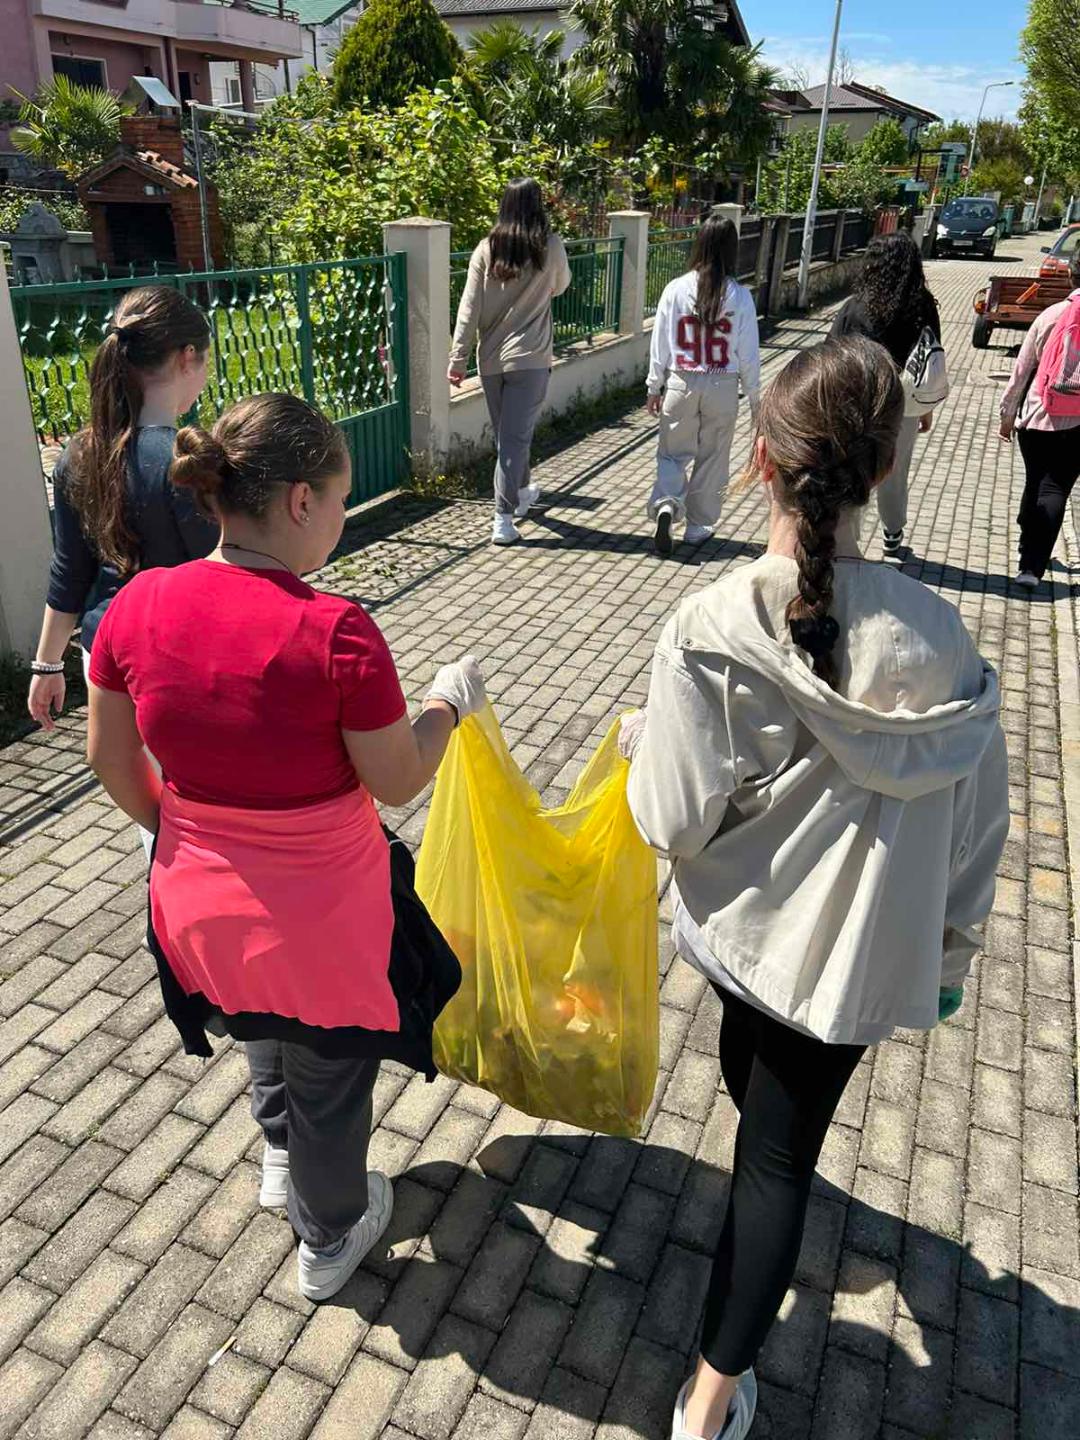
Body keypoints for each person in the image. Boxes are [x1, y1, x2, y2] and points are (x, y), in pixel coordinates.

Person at [620, 337, 1008, 1440]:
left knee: (772, 1164)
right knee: (776, 1135)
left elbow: (670, 821)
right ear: (885, 467)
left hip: (745, 942)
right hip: (857, 968)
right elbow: (977, 827)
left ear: (760, 460)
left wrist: (648, 747)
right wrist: (949, 955)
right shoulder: (944, 640)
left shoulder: (712, 627)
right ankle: (720, 1380)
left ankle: (707, 1404)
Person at [86, 392, 484, 1302]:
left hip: (198, 911)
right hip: (322, 925)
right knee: (329, 1077)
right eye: (340, 501)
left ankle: (278, 1158)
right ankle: (330, 1235)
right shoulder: (335, 630)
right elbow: (396, 778)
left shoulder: (137, 605)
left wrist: (185, 832)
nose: (340, 520)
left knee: (256, 1022)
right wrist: (446, 705)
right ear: (301, 501)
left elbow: (108, 757)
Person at [28, 287, 215, 746]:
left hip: (104, 655)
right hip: (178, 660)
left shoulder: (78, 454)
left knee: (131, 784)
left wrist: (47, 665)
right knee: (183, 787)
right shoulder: (184, 463)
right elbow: (225, 573)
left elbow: (70, 570)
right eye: (206, 361)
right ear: (187, 357)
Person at [448, 178, 572, 547]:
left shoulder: (486, 248)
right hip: (530, 358)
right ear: (537, 205)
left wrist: (458, 359)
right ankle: (502, 519)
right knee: (513, 438)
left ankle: (522, 492)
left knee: (512, 435)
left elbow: (469, 307)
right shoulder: (550, 245)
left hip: (491, 361)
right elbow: (562, 285)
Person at [645, 213, 761, 556]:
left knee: (671, 453)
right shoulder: (739, 296)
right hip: (722, 385)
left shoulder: (675, 289)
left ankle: (667, 504)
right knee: (713, 457)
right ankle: (697, 527)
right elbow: (748, 352)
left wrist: (654, 386)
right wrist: (755, 398)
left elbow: (660, 342)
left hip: (681, 382)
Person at [830, 231, 941, 558]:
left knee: (853, 469)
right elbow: (930, 357)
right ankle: (892, 532)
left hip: (858, 401)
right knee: (895, 468)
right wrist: (926, 407)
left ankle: (847, 536)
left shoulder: (855, 306)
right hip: (903, 403)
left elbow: (831, 352)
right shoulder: (923, 306)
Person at [999, 246, 1080, 587]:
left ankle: (1025, 544)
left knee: (1035, 482)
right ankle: (1032, 568)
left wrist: (1007, 415)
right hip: (1078, 424)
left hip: (1038, 417)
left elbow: (1021, 371)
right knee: (1055, 488)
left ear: (1070, 275)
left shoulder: (1049, 316)